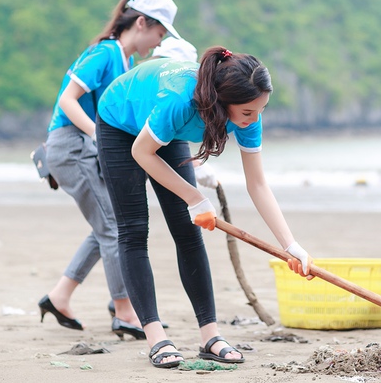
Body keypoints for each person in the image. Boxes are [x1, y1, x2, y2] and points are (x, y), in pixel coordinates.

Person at [95, 46, 313, 368]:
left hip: (160, 128)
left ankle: (210, 336)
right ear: (220, 102)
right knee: (134, 230)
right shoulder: (181, 102)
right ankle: (156, 337)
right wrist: (196, 197)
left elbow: (257, 185)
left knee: (187, 230)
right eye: (248, 113)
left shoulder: (248, 114)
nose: (254, 120)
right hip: (120, 123)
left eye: (261, 110)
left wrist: (291, 245)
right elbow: (142, 153)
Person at [39, 0, 181, 339]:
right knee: (114, 228)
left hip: (82, 146)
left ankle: (59, 297)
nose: (158, 43)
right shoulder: (104, 53)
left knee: (108, 224)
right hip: (71, 145)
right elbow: (68, 101)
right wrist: (99, 137)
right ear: (142, 23)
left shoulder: (125, 61)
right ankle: (125, 309)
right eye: (159, 34)